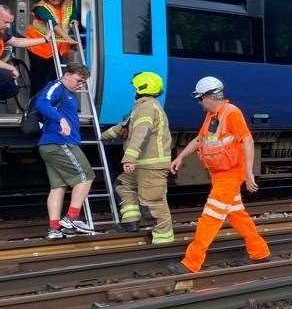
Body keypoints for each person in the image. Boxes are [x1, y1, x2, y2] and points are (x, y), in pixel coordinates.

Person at [167, 76, 269, 274]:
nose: (199, 103)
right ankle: (260, 252)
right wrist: (180, 157)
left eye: (200, 98)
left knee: (211, 216)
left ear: (210, 96)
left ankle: (191, 263)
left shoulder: (232, 113)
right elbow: (200, 139)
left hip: (230, 174)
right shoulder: (212, 116)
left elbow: (247, 141)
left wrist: (249, 173)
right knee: (237, 214)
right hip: (219, 174)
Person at [101, 71, 174, 243]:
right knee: (123, 185)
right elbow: (124, 126)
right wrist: (103, 136)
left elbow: (141, 133)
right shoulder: (142, 108)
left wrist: (129, 158)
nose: (133, 89)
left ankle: (164, 239)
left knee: (153, 201)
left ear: (141, 88)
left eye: (135, 86)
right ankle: (131, 222)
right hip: (143, 164)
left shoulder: (147, 108)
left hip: (150, 165)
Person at [35, 62, 95, 238]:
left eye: (83, 82)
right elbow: (42, 102)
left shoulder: (67, 92)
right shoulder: (57, 86)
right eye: (78, 80)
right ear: (67, 74)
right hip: (59, 142)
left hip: (50, 145)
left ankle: (54, 229)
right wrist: (60, 119)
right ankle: (71, 218)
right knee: (86, 176)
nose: (80, 85)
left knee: (58, 187)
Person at [25, 0, 78, 92]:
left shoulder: (69, 4)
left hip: (55, 46)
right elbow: (52, 24)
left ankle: (49, 103)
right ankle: (35, 105)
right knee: (38, 78)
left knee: (54, 77)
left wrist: (74, 20)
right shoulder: (40, 7)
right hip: (38, 46)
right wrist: (68, 39)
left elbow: (73, 15)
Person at [0, 4, 51, 102]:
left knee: (12, 88)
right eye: (5, 22)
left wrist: (44, 39)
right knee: (6, 77)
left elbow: (16, 41)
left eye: (10, 23)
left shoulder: (2, 33)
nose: (8, 26)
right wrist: (11, 67)